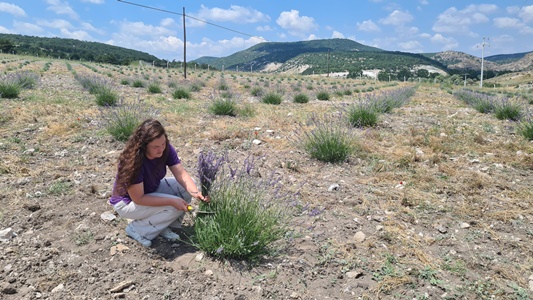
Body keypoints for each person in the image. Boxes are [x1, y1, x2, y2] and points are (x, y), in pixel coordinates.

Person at [108, 119, 207, 247]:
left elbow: (181, 174)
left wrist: (196, 193)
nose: (161, 149)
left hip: (150, 190)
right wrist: (171, 201)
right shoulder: (133, 162)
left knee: (187, 188)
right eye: (155, 147)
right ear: (143, 146)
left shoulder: (165, 149)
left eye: (163, 144)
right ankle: (137, 230)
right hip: (127, 203)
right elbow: (138, 198)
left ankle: (162, 225)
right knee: (174, 204)